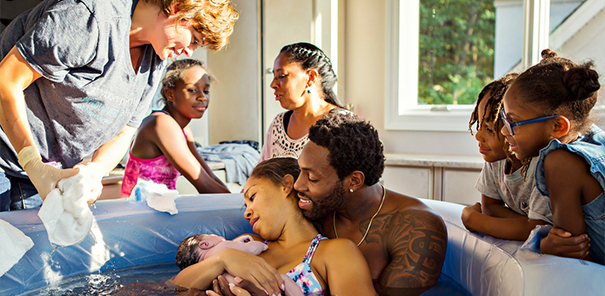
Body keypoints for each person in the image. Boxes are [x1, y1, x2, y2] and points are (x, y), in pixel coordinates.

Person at [0, 0, 238, 211]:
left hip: (45, 172)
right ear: (178, 8)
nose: (189, 51)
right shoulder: (88, 17)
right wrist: (32, 163)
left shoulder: (155, 59)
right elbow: (6, 81)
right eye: (194, 40)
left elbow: (126, 130)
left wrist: (96, 170)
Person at [173, 157, 378, 296]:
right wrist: (223, 259)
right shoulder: (248, 244)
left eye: (252, 197)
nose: (246, 212)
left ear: (286, 186)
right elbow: (176, 286)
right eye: (245, 205)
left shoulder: (333, 252)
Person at [293, 112, 448, 295]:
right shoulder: (317, 209)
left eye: (312, 178)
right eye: (300, 171)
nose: (298, 185)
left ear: (354, 181)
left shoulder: (416, 228)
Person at [500, 49, 603, 264]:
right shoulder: (594, 138)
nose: (503, 131)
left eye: (512, 122)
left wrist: (543, 245)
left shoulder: (562, 162)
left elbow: (570, 252)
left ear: (558, 126)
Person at [461, 73, 553, 241]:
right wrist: (524, 225)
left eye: (489, 129)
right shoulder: (496, 159)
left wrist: (474, 220)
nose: (478, 136)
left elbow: (538, 231)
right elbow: (490, 207)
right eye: (480, 125)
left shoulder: (544, 164)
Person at [120, 59, 229, 198]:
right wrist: (244, 208)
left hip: (161, 209)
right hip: (138, 213)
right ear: (170, 94)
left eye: (206, 90)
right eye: (192, 90)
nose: (202, 97)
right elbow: (203, 183)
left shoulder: (182, 129)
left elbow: (209, 176)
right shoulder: (160, 123)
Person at [258, 42, 346, 163]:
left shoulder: (343, 126)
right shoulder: (277, 125)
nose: (273, 84)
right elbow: (262, 176)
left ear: (311, 78)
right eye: (274, 76)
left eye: (282, 75)